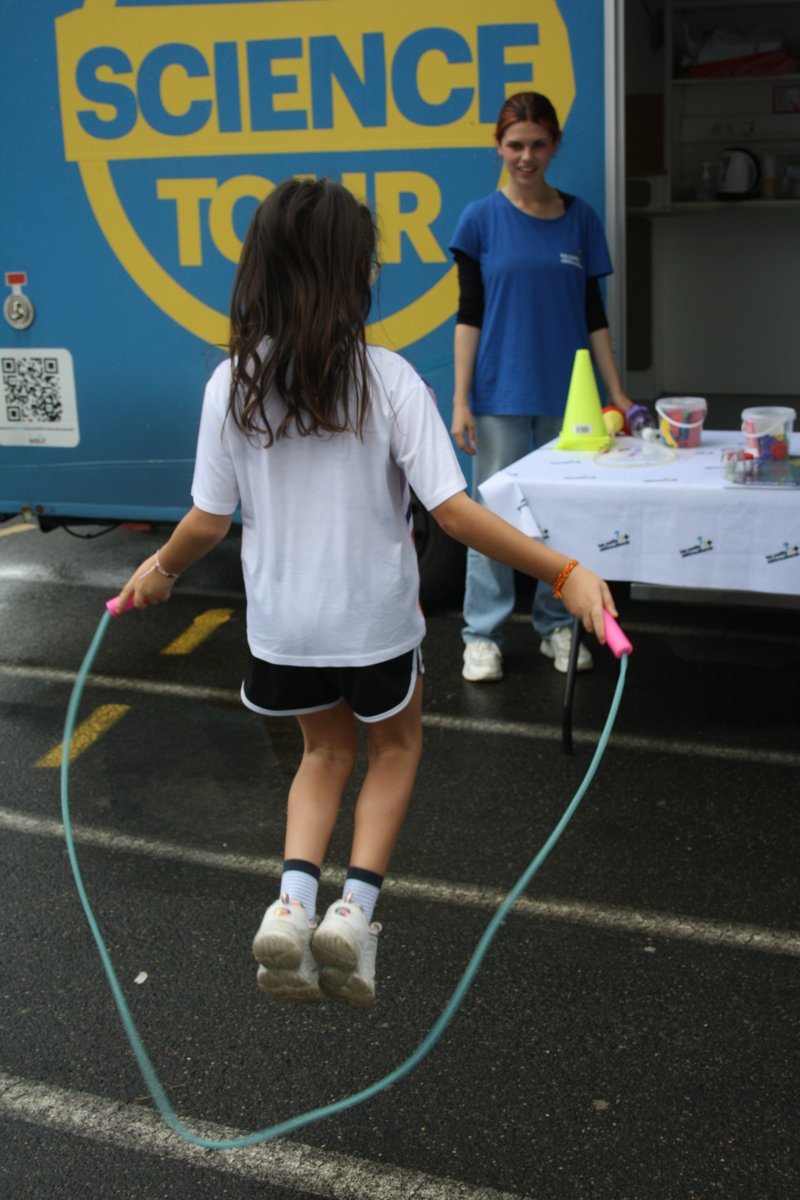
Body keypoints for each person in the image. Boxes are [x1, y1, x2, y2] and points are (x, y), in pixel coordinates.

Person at [112, 178, 616, 1009]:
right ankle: (354, 913)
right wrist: (564, 571)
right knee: (396, 748)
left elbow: (206, 522)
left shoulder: (230, 383)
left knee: (322, 753)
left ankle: (291, 902)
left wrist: (157, 571)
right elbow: (455, 515)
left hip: (284, 629)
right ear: (354, 274)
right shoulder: (387, 381)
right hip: (373, 623)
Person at [450, 92, 633, 682]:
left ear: (554, 145)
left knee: (562, 517)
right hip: (500, 395)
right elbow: (469, 314)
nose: (526, 156)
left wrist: (617, 392)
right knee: (492, 521)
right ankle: (482, 636)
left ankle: (557, 624)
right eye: (514, 145)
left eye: (537, 144)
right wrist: (460, 400)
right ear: (498, 147)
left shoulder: (580, 218)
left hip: (571, 403)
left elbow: (593, 313)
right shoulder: (479, 218)